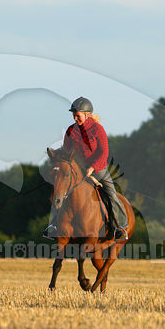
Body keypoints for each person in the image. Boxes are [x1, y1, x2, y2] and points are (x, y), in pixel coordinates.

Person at [44, 96, 128, 240]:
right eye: (73, 115)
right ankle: (53, 226)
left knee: (111, 194)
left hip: (98, 170)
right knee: (59, 192)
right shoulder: (71, 131)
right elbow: (66, 152)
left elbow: (104, 153)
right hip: (76, 172)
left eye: (77, 115)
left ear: (87, 115)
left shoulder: (98, 129)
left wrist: (92, 168)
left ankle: (119, 226)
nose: (75, 118)